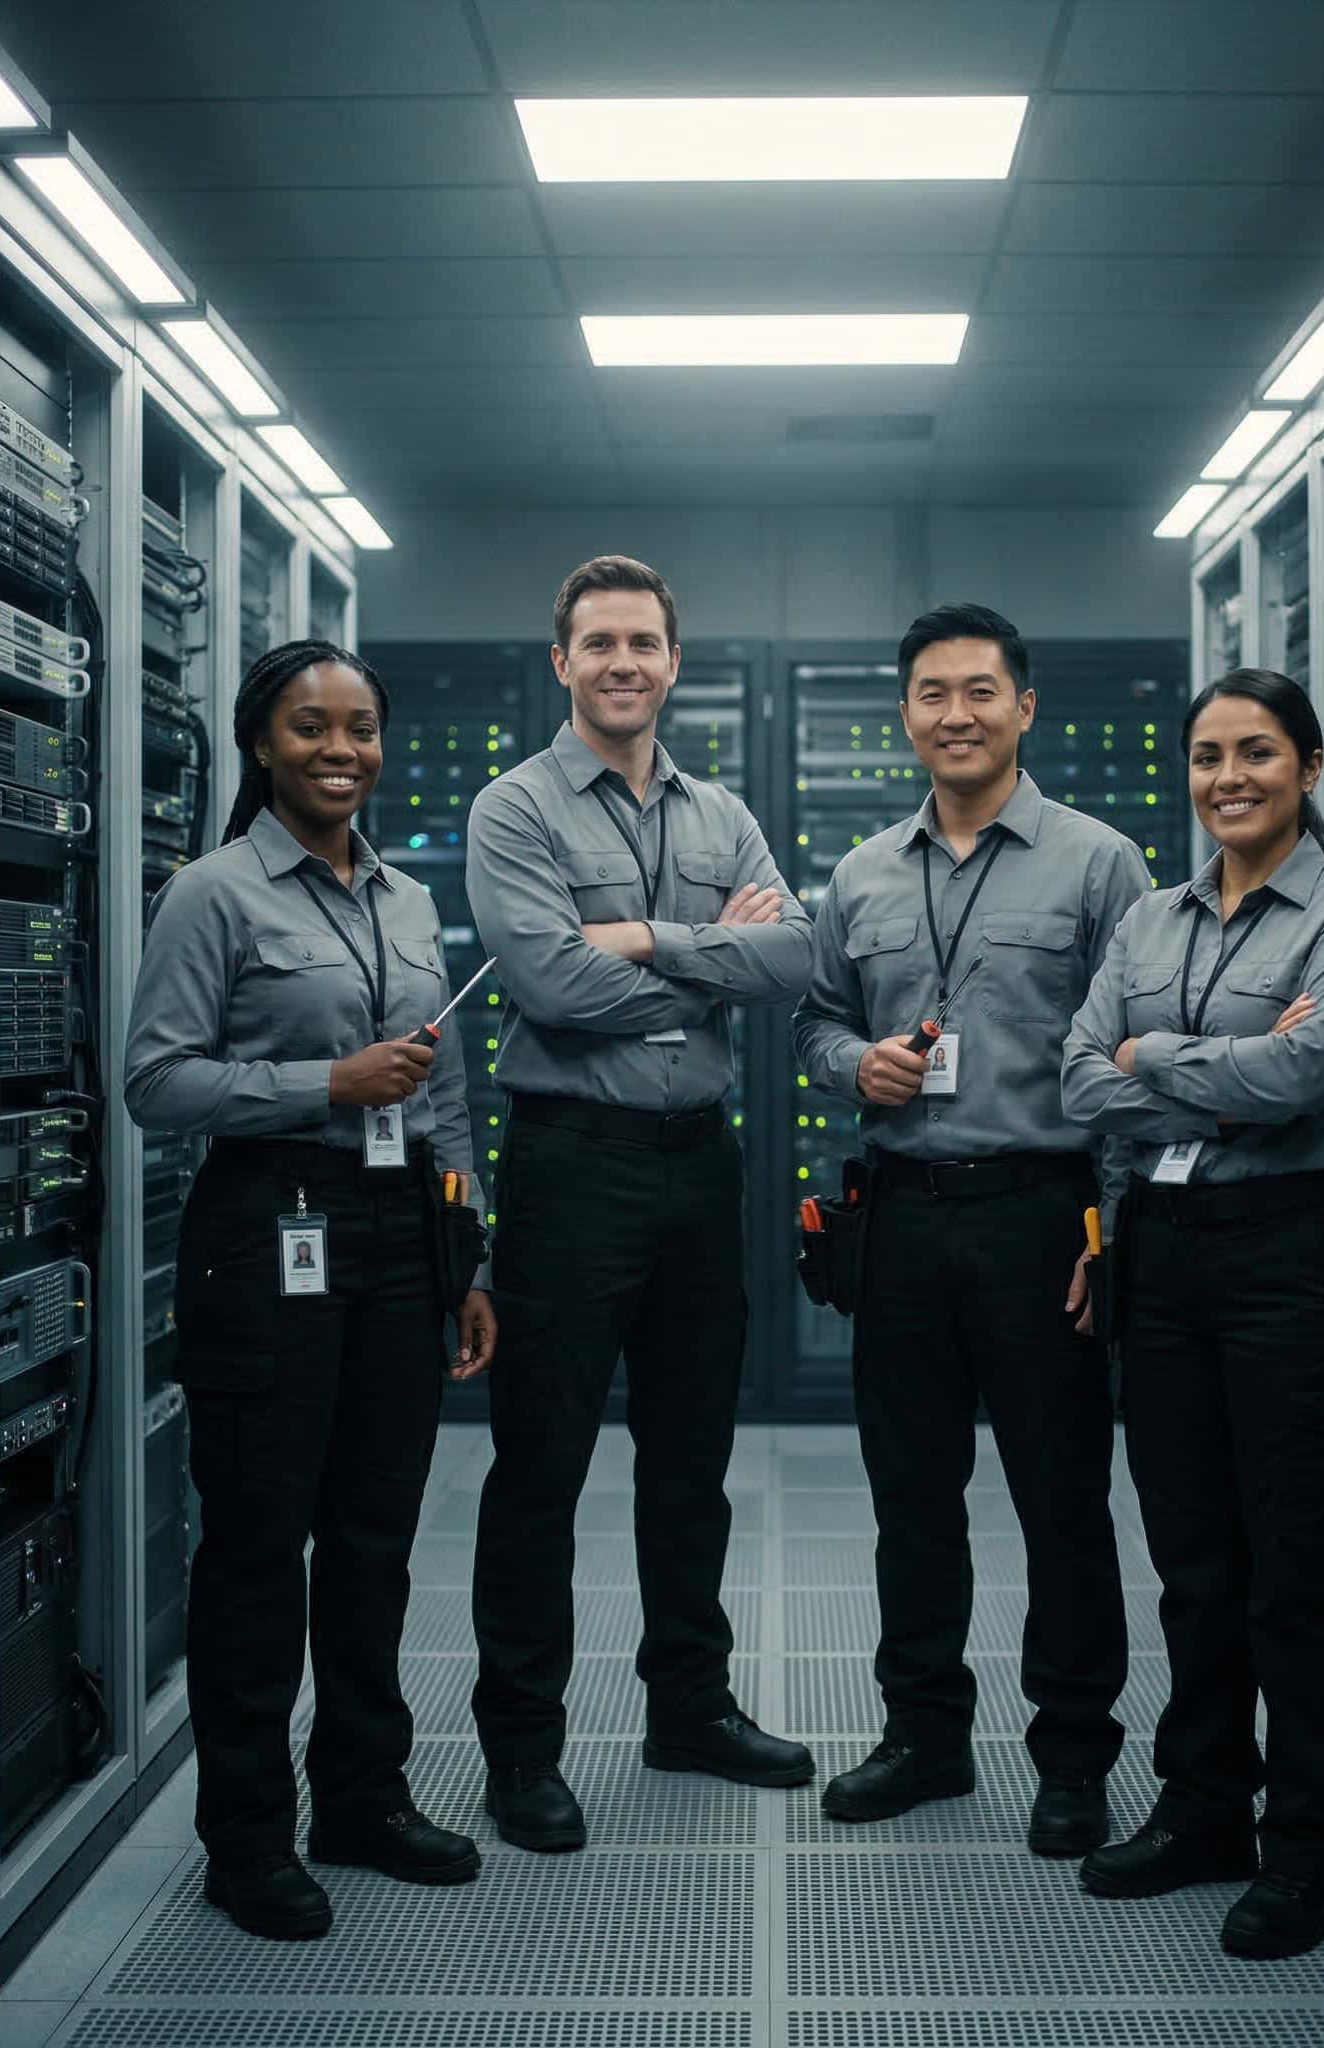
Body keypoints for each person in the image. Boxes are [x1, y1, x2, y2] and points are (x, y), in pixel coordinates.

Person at [124, 639, 498, 1940]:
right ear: (261, 745)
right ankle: (246, 1837)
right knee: (254, 1554)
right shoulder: (212, 895)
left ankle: (362, 1796)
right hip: (265, 1224)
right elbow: (155, 1085)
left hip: (398, 1233)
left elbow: (439, 1083)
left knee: (373, 1542)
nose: (339, 750)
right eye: (308, 728)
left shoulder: (404, 898)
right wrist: (321, 1086)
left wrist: (465, 1251)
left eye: (358, 728)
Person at [465, 554, 816, 1849]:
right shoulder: (513, 811)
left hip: (693, 1163)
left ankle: (690, 1707)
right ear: (562, 662)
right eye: (598, 643)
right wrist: (709, 961)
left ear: (674, 663)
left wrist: (640, 942)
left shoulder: (719, 811)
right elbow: (549, 990)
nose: (623, 663)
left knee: (691, 1463)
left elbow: (794, 956)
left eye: (644, 644)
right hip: (568, 1163)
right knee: (540, 1465)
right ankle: (521, 1749)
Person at [791, 602, 1150, 1855]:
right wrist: (857, 1066)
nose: (956, 713)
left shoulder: (1099, 862)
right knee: (911, 1498)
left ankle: (1072, 1756)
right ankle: (925, 1734)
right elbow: (817, 1024)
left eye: (980, 690)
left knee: (1062, 1499)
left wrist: (1108, 1235)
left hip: (1040, 1212)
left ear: (1024, 705)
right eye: (932, 693)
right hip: (902, 1221)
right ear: (905, 714)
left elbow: (1129, 1055)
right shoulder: (859, 873)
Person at [1060, 667, 1324, 1959]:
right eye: (1208, 757)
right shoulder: (1150, 918)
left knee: (1296, 1573)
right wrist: (1199, 1076)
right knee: (1196, 1566)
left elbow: (1307, 1077)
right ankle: (1207, 1805)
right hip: (1166, 1250)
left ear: (1309, 768)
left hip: (1292, 1258)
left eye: (1257, 752)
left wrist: (1157, 1062)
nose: (1229, 779)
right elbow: (1083, 1080)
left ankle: (1311, 1851)